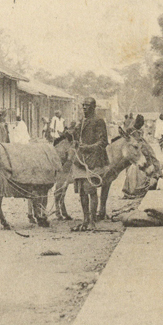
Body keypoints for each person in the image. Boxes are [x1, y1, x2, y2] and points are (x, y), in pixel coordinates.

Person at [71, 97, 109, 231]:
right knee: (82, 192)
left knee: (91, 190)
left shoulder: (98, 121)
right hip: (81, 161)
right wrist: (73, 137)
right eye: (83, 106)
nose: (84, 108)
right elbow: (76, 136)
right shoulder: (81, 122)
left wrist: (88, 147)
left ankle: (93, 221)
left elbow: (103, 142)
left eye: (87, 106)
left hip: (94, 161)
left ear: (93, 107)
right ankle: (85, 219)